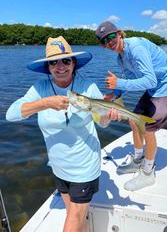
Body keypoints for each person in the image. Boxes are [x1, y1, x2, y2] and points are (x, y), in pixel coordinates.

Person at [6, 36, 114, 232]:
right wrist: (45, 103)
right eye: (53, 62)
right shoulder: (41, 88)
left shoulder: (88, 87)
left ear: (74, 63)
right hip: (58, 167)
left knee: (73, 220)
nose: (60, 66)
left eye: (66, 60)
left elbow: (103, 123)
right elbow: (11, 114)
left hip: (84, 166)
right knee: (74, 216)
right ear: (48, 67)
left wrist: (109, 115)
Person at [96, 21, 167, 191]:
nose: (109, 42)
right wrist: (116, 94)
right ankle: (137, 160)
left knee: (148, 128)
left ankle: (148, 172)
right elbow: (131, 77)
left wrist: (118, 82)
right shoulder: (120, 57)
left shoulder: (136, 48)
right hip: (153, 90)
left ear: (119, 33)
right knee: (134, 121)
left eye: (111, 37)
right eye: (103, 41)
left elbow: (150, 80)